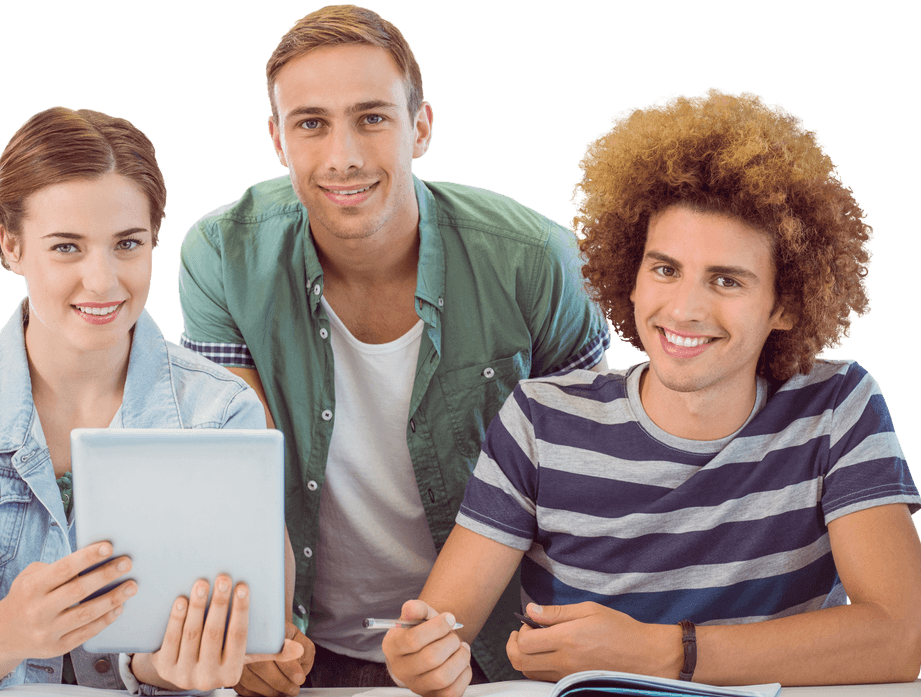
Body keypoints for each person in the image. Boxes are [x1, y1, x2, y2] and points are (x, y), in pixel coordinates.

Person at [383, 88, 921, 694]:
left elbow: (896, 636)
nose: (684, 309)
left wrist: (656, 651)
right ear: (631, 276)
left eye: (726, 280)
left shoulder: (837, 407)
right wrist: (421, 656)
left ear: (786, 304)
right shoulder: (541, 420)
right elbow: (443, 630)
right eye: (665, 270)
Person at [176, 4, 608, 691]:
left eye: (372, 117)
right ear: (277, 140)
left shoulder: (536, 259)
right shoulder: (221, 256)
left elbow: (595, 485)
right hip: (299, 648)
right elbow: (235, 473)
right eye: (311, 123)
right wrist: (255, 633)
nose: (342, 155)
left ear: (421, 127)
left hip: (495, 653)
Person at [0, 107, 302, 695]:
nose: (103, 281)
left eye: (127, 244)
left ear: (154, 239)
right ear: (10, 246)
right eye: (66, 248)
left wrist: (173, 671)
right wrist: (12, 629)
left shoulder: (222, 411)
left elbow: (238, 634)